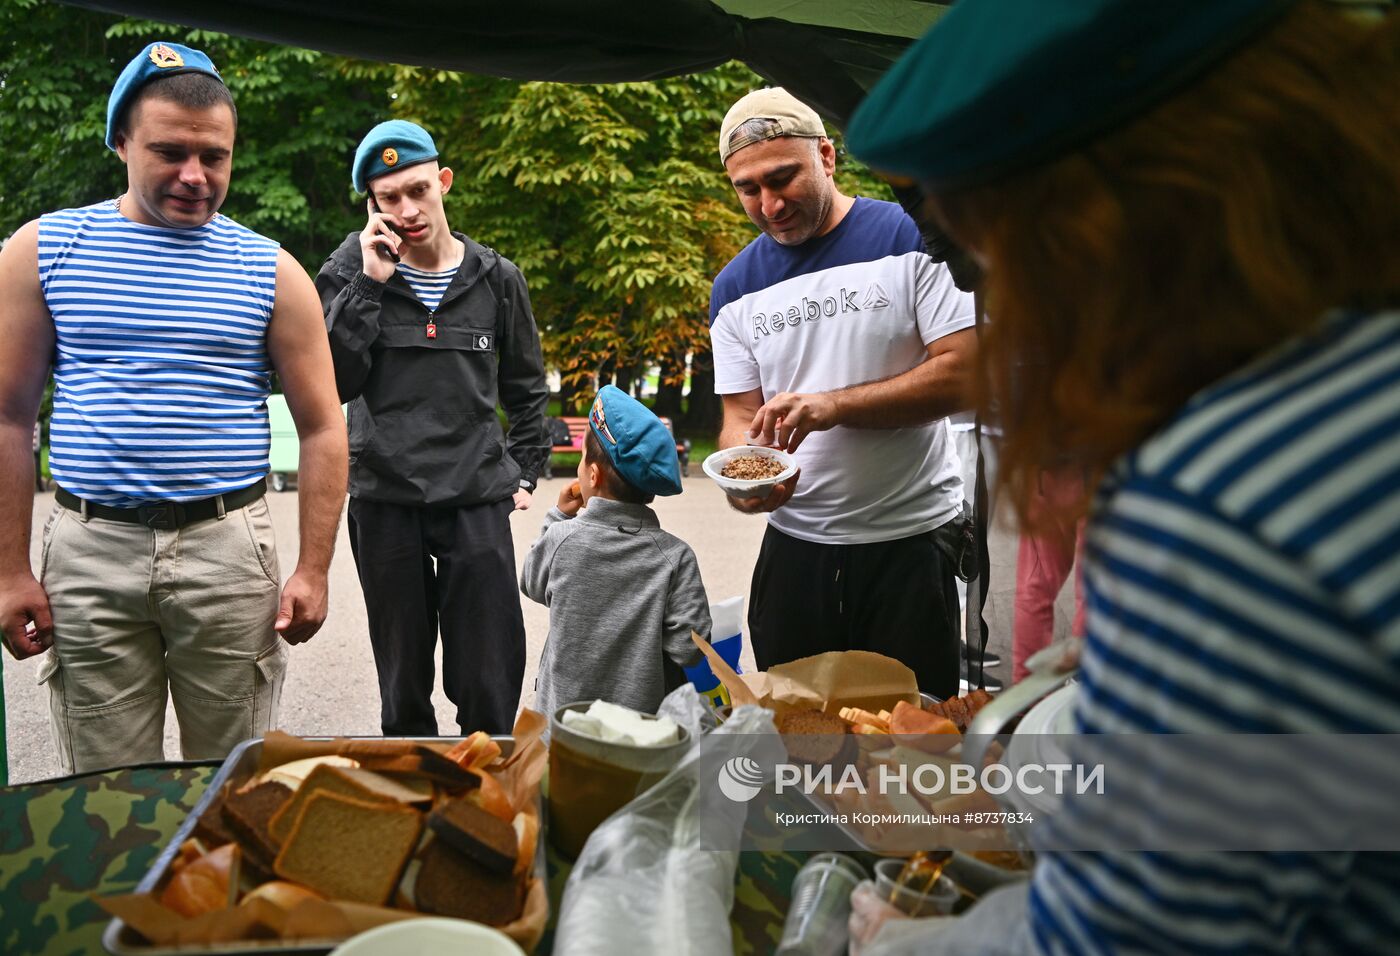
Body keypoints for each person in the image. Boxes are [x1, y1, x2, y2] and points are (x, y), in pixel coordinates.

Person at [848, 0, 1400, 952]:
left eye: (988, 255)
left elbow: (1123, 939)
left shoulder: (1224, 500)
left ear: (1102, 232)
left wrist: (905, 942)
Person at [0, 41, 348, 773]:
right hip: (91, 554)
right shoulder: (42, 252)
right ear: (121, 142)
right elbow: (9, 417)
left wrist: (314, 569)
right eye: (170, 152)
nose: (196, 176)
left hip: (226, 551)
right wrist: (8, 572)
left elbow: (322, 427)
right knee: (105, 790)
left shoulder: (271, 270)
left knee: (232, 783)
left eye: (213, 157)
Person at [708, 87, 978, 699]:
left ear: (826, 157)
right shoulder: (732, 288)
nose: (769, 205)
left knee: (911, 741)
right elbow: (738, 417)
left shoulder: (912, 235)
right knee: (797, 739)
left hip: (909, 543)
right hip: (795, 550)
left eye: (783, 178)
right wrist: (740, 481)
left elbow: (965, 370)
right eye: (748, 189)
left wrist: (833, 406)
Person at [317, 120, 549, 736]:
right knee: (403, 678)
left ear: (443, 182)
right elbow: (332, 384)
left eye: (418, 190)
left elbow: (526, 389)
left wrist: (523, 471)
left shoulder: (497, 279)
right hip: (385, 498)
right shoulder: (348, 271)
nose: (407, 210)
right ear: (371, 205)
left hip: (473, 496)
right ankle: (416, 801)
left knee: (489, 674)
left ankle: (493, 793)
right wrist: (370, 284)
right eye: (387, 198)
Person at [520, 385, 711, 719]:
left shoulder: (562, 538)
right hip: (637, 734)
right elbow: (690, 649)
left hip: (564, 728)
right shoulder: (675, 557)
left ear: (591, 476)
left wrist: (558, 515)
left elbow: (531, 582)